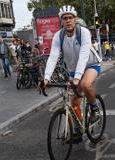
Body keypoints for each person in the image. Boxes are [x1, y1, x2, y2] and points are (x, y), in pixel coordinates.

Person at [42, 5, 102, 142]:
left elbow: (83, 56)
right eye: (65, 18)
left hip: (91, 65)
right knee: (74, 103)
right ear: (61, 21)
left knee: (86, 84)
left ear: (75, 19)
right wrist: (45, 79)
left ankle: (95, 109)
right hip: (73, 71)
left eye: (70, 17)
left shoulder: (84, 32)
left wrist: (77, 79)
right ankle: (78, 131)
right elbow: (53, 57)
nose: (68, 20)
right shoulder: (59, 36)